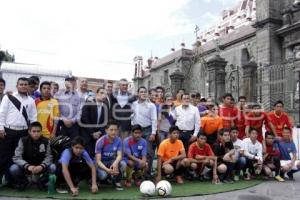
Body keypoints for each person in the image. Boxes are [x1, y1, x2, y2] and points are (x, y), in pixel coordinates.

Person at [0, 77, 37, 183]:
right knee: (4, 156)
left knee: (18, 157)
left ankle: (13, 180)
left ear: (28, 86)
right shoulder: (8, 97)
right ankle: (3, 178)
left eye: (26, 84)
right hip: (8, 131)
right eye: (21, 84)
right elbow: (2, 113)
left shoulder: (31, 100)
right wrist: (1, 128)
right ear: (17, 86)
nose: (23, 86)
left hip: (23, 132)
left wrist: (32, 132)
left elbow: (33, 117)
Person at [9, 122, 56, 190]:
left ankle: (41, 182)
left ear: (41, 131)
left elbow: (49, 157)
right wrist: (28, 166)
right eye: (34, 131)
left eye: (38, 131)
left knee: (53, 167)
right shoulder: (22, 140)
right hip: (26, 166)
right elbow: (16, 157)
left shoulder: (46, 141)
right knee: (13, 168)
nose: (36, 133)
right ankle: (24, 182)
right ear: (29, 132)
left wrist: (41, 166)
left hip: (41, 166)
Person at [131, 86, 157, 178]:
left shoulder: (151, 105)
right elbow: (132, 116)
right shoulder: (133, 104)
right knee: (135, 152)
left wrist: (153, 133)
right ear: (138, 94)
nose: (143, 93)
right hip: (136, 131)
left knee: (148, 153)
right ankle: (136, 174)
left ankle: (147, 174)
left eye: (145, 92)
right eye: (141, 92)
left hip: (148, 130)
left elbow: (154, 119)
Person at [95, 121, 125, 190]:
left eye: (115, 130)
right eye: (111, 130)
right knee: (103, 175)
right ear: (106, 130)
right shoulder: (100, 141)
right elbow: (98, 161)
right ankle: (98, 181)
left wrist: (115, 163)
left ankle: (116, 181)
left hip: (111, 161)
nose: (113, 132)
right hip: (101, 163)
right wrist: (107, 170)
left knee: (123, 164)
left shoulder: (119, 140)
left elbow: (119, 155)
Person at [80, 87, 109, 157]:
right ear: (96, 94)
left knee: (98, 154)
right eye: (101, 93)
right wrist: (92, 133)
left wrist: (100, 132)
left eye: (105, 94)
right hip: (87, 133)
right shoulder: (88, 103)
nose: (104, 95)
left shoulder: (106, 106)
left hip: (99, 135)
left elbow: (105, 121)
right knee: (87, 154)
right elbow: (84, 119)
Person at [55, 75, 81, 139]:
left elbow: (80, 111)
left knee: (74, 145)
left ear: (75, 82)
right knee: (60, 144)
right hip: (61, 124)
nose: (71, 83)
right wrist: (64, 119)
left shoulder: (79, 95)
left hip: (74, 125)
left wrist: (72, 121)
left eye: (73, 81)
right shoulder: (58, 94)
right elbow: (56, 109)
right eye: (68, 81)